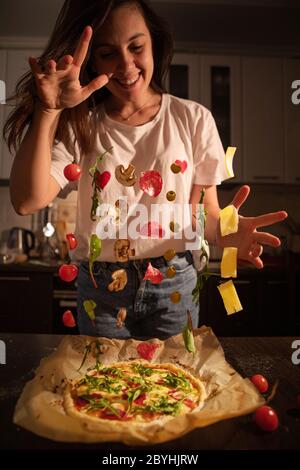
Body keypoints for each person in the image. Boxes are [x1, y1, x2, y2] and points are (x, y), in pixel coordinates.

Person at [5, 0, 287, 340]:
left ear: (154, 44)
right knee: (102, 389)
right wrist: (48, 110)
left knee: (176, 386)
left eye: (136, 47)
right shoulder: (81, 126)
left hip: (175, 284)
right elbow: (26, 200)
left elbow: (204, 215)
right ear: (93, 61)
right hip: (100, 287)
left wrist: (227, 233)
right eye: (108, 53)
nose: (126, 64)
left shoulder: (193, 119)